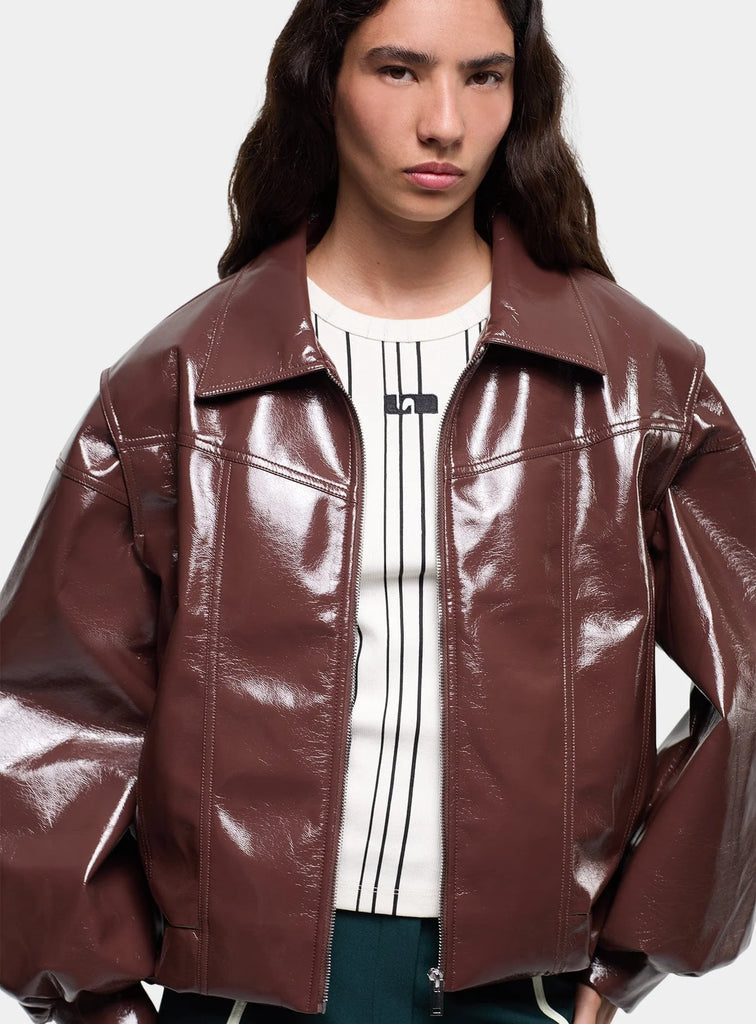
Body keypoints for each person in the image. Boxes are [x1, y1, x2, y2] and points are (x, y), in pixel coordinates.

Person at [1, 1, 754, 1023]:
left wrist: (637, 949)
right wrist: (94, 1000)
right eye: (400, 70)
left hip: (525, 986)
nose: (445, 122)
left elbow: (746, 678)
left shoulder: (637, 383)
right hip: (252, 992)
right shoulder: (177, 385)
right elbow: (50, 714)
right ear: (324, 82)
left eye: (485, 76)